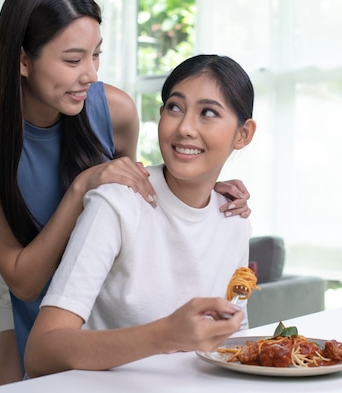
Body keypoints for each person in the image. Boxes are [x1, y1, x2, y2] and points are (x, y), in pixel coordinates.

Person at [0, 0, 251, 386]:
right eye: (73, 60)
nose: (89, 74)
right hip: (23, 280)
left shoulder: (115, 109)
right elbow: (23, 279)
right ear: (23, 60)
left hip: (91, 281)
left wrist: (210, 190)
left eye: (96, 55)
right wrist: (79, 189)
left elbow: (143, 195)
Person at [25, 54, 257, 376]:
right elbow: (40, 353)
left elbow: (232, 340)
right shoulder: (116, 204)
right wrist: (165, 334)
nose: (185, 128)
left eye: (208, 113)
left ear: (243, 134)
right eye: (175, 108)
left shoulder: (233, 217)